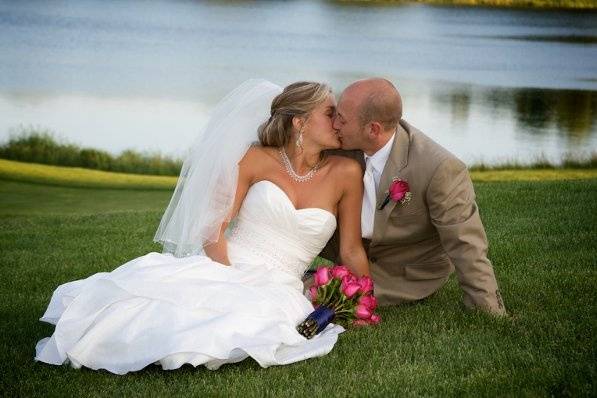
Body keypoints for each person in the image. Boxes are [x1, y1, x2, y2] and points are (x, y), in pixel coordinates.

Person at [34, 80, 370, 375]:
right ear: (300, 122)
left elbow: (351, 248)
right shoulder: (255, 159)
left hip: (281, 284)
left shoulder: (346, 172)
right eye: (329, 113)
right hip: (228, 264)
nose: (338, 120)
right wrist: (231, 277)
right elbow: (213, 227)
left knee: (252, 324)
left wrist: (366, 297)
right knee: (163, 313)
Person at [319, 78, 506, 315]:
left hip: (403, 271)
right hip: (347, 251)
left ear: (373, 129)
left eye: (341, 120)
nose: (334, 124)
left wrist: (490, 311)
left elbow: (466, 243)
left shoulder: (440, 169)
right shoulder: (343, 141)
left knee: (310, 297)